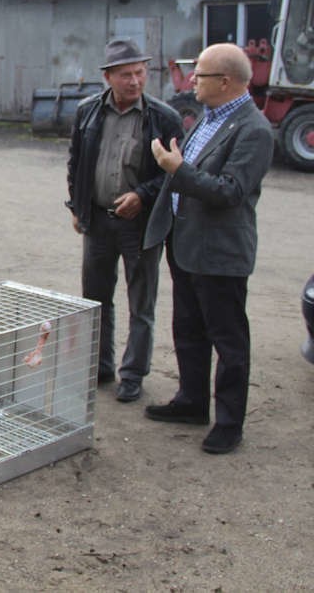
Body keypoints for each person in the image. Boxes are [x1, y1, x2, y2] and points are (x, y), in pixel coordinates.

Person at [143, 42, 274, 454]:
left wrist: (176, 169)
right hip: (187, 244)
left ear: (225, 81)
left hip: (220, 254)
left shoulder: (254, 130)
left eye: (199, 74)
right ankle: (192, 401)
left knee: (228, 341)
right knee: (188, 330)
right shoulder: (208, 117)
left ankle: (229, 423)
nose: (192, 80)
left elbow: (230, 191)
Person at [66, 38, 183, 402]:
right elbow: (76, 161)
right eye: (126, 75)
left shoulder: (164, 117)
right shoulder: (87, 111)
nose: (135, 81)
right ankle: (100, 367)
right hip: (98, 222)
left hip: (141, 225)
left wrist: (142, 195)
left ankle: (132, 374)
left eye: (140, 73)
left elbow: (176, 172)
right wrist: (77, 206)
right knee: (95, 300)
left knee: (141, 303)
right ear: (108, 77)